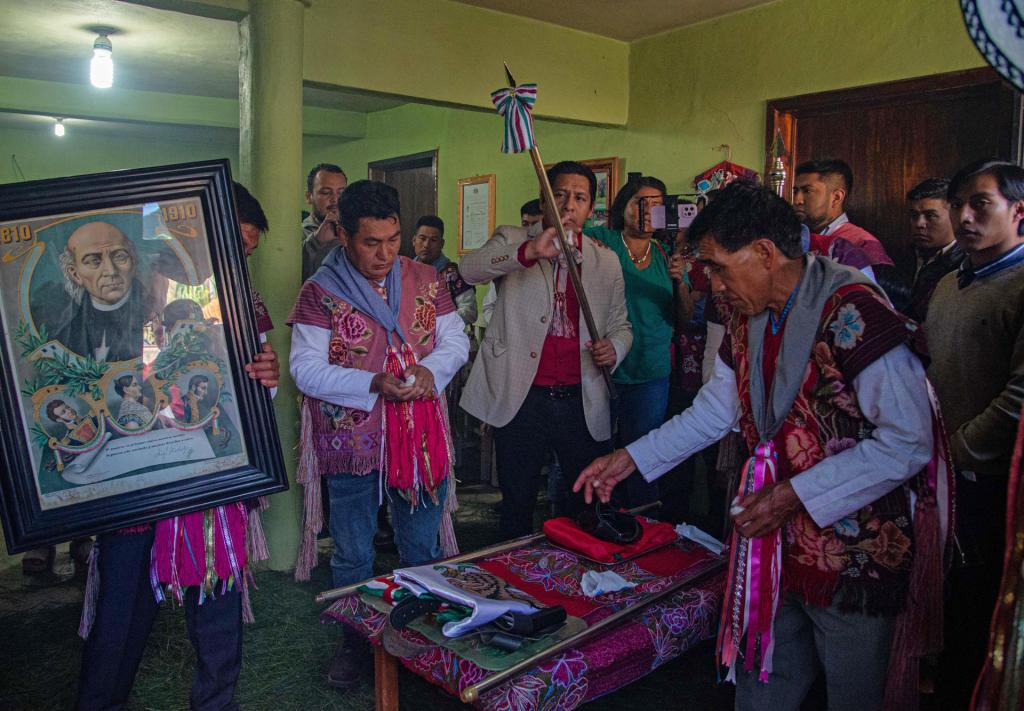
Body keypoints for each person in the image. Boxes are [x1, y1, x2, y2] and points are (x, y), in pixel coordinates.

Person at [574, 181, 946, 711]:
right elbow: (716, 411)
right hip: (772, 540)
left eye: (720, 267)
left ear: (766, 253)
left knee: (857, 693)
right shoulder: (747, 316)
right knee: (762, 682)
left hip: (852, 551)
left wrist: (793, 494)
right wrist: (629, 458)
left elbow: (908, 442)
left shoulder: (854, 312)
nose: (712, 284)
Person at [76, 182, 280, 711]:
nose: (236, 260)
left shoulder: (242, 303)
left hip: (209, 478)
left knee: (216, 603)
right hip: (136, 477)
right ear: (191, 231)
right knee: (121, 604)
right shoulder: (120, 290)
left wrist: (266, 377)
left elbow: (252, 393)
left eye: (247, 252)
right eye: (231, 246)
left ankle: (216, 703)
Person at [289, 180, 469, 690]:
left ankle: (424, 637)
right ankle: (357, 642)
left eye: (393, 240)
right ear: (343, 235)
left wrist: (433, 370)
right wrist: (371, 382)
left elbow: (454, 337)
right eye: (371, 242)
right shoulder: (320, 291)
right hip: (353, 437)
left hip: (419, 430)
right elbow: (304, 368)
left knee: (421, 540)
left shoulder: (427, 277)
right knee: (352, 551)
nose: (385, 253)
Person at [460, 161, 632, 539]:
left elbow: (622, 324)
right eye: (560, 194)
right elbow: (468, 269)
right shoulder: (512, 237)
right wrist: (528, 250)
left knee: (582, 503)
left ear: (591, 208)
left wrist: (615, 348)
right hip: (522, 399)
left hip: (582, 399)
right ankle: (514, 582)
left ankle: (572, 579)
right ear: (544, 198)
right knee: (517, 501)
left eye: (580, 197)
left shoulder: (606, 259)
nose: (569, 204)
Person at [925, 159, 1024, 708]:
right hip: (936, 469)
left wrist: (959, 450)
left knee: (978, 610)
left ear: (1019, 210)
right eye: (959, 203)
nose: (964, 216)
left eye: (980, 203)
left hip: (987, 479)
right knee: (943, 600)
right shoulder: (947, 282)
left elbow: (1019, 397)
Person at [583, 175, 674, 507]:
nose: (648, 212)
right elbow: (567, 249)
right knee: (592, 449)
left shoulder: (667, 254)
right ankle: (585, 519)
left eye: (657, 206)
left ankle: (643, 525)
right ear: (623, 205)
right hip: (601, 366)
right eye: (641, 202)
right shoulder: (600, 240)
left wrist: (681, 282)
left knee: (644, 454)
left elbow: (683, 313)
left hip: (650, 369)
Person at [54, 221, 150, 363]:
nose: (111, 271)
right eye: (94, 261)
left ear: (133, 261)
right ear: (75, 274)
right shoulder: (68, 335)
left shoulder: (152, 312)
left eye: (119, 257)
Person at [793, 158, 894, 270]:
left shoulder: (862, 243)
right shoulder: (795, 238)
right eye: (795, 191)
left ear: (836, 197)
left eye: (807, 191)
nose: (797, 200)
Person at [905, 177, 964, 322]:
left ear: (954, 216)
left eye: (930, 216)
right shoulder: (898, 257)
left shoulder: (966, 264)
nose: (919, 224)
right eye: (914, 216)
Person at [481, 200, 546, 327]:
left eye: (536, 225)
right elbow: (489, 307)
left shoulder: (557, 262)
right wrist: (505, 328)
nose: (530, 231)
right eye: (525, 224)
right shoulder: (510, 259)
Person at [412, 215, 477, 326]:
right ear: (414, 240)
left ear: (442, 244)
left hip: (443, 338)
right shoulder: (404, 271)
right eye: (422, 238)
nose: (426, 245)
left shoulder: (453, 274)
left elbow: (470, 312)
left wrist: (435, 323)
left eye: (433, 240)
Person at [301, 162, 348, 282]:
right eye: (326, 192)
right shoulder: (297, 234)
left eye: (341, 193)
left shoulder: (354, 231)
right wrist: (316, 242)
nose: (335, 199)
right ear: (309, 197)